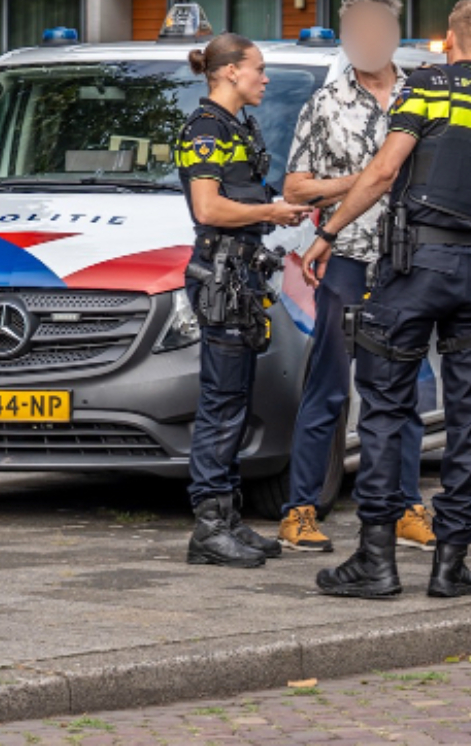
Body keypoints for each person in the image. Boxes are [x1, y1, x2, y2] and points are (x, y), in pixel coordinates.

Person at [303, 0, 471, 600]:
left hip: (417, 267)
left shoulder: (429, 88)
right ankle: (452, 564)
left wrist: (330, 233)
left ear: (448, 42)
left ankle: (375, 562)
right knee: (469, 415)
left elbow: (384, 172)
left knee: (385, 406)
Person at [276, 0, 435, 554]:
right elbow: (296, 187)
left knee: (400, 388)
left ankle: (406, 507)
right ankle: (299, 511)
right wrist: (368, 179)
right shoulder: (324, 103)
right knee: (328, 386)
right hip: (345, 259)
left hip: (408, 262)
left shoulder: (424, 96)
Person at [176, 33, 310, 567]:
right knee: (221, 404)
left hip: (241, 276)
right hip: (222, 275)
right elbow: (208, 209)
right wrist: (271, 212)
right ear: (231, 71)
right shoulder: (205, 129)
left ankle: (228, 518)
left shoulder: (238, 126)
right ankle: (209, 529)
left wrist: (279, 207)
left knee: (235, 402)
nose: (265, 78)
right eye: (258, 68)